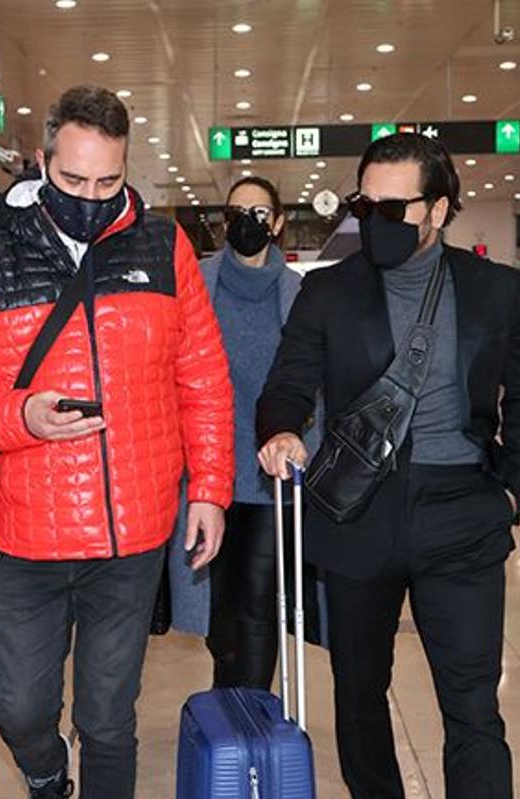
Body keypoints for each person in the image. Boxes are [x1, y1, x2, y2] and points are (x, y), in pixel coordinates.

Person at [0, 85, 234, 799]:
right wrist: (22, 417)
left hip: (133, 533)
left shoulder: (164, 248)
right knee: (22, 708)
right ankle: (44, 769)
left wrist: (211, 488)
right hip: (22, 534)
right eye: (72, 180)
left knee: (109, 717)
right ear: (41, 160)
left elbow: (204, 378)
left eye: (109, 181)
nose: (91, 197)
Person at [256, 133, 520, 799]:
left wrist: (512, 488)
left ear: (439, 209)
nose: (375, 223)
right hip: (359, 514)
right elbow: (288, 383)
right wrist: (279, 431)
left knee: (474, 705)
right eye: (367, 207)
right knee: (359, 696)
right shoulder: (328, 291)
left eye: (395, 210)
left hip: (463, 511)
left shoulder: (494, 289)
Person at [192, 175, 321, 689]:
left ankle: (247, 716)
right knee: (219, 610)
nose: (248, 222)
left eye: (260, 213)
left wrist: (306, 444)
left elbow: (316, 381)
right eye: (237, 212)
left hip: (270, 478)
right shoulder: (197, 284)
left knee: (258, 606)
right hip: (209, 474)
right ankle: (229, 704)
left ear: (280, 222)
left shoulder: (299, 294)